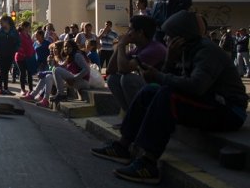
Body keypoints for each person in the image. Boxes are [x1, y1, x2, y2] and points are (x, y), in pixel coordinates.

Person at [91, 10, 248, 184]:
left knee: (167, 96)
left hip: (229, 109)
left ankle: (149, 162)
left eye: (170, 36)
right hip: (209, 102)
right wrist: (169, 62)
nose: (166, 40)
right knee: (150, 90)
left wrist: (158, 75)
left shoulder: (207, 52)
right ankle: (123, 145)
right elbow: (164, 80)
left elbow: (196, 87)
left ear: (182, 36)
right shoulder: (182, 50)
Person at [106, 15, 167, 112]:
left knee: (128, 79)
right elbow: (111, 70)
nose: (127, 33)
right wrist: (119, 47)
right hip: (148, 89)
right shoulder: (137, 49)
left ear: (140, 32)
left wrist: (122, 45)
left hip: (159, 91)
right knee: (112, 79)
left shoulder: (154, 49)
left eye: (130, 29)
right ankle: (131, 116)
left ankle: (138, 118)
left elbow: (123, 69)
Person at [23, 41, 64, 105]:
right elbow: (53, 70)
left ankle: (45, 99)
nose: (53, 51)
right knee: (46, 76)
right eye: (52, 50)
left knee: (48, 76)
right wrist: (50, 64)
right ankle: (33, 95)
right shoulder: (55, 58)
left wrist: (46, 72)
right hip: (58, 79)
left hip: (64, 80)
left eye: (55, 49)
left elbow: (58, 71)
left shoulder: (63, 59)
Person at [50, 40, 90, 104]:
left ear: (73, 47)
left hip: (83, 81)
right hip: (75, 80)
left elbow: (86, 69)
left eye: (68, 46)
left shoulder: (77, 55)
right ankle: (59, 93)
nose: (66, 48)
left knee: (57, 70)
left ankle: (61, 94)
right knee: (54, 70)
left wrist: (74, 78)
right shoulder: (69, 56)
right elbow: (62, 67)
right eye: (65, 46)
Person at [0, 15, 20, 95]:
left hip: (10, 54)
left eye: (2, 21)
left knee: (6, 71)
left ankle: (6, 89)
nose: (0, 23)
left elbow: (18, 42)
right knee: (2, 70)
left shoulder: (14, 31)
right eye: (0, 22)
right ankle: (1, 89)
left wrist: (15, 50)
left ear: (7, 21)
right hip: (0, 54)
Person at [15, 21, 35, 96]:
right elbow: (18, 46)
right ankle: (22, 90)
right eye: (29, 27)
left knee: (29, 73)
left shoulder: (28, 35)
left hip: (28, 57)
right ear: (24, 27)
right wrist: (23, 53)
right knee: (23, 73)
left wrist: (33, 52)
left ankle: (31, 90)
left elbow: (31, 45)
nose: (30, 28)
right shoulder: (19, 35)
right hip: (20, 57)